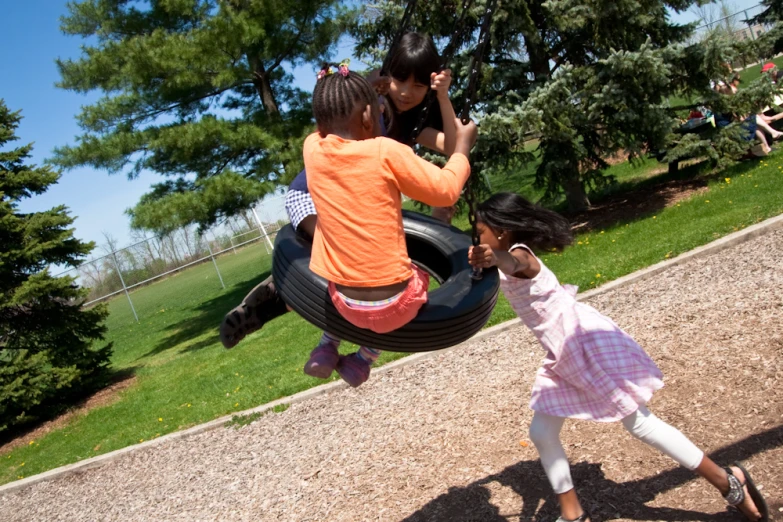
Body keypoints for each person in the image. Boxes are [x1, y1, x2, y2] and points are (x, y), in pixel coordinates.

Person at [466, 192, 768, 522]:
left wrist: (495, 259)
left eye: (480, 230)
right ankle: (572, 513)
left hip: (584, 346)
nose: (477, 236)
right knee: (541, 432)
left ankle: (727, 481)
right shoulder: (503, 253)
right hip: (563, 354)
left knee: (640, 423)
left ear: (502, 230)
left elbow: (516, 264)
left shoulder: (518, 255)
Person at [220, 33, 462, 349]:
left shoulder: (415, 123)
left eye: (418, 86)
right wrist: (373, 78)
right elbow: (339, 90)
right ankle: (279, 298)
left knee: (346, 262)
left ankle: (274, 302)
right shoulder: (368, 99)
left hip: (343, 201)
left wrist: (443, 96)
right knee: (340, 256)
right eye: (399, 80)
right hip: (307, 195)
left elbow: (454, 146)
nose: (405, 92)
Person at [301, 64, 477, 387]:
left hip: (345, 305)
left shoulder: (312, 151)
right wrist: (462, 149)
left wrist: (356, 91)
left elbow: (322, 126)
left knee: (343, 271)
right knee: (415, 273)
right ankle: (363, 359)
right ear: (370, 118)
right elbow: (446, 190)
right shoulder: (385, 152)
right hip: (397, 307)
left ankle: (327, 345)